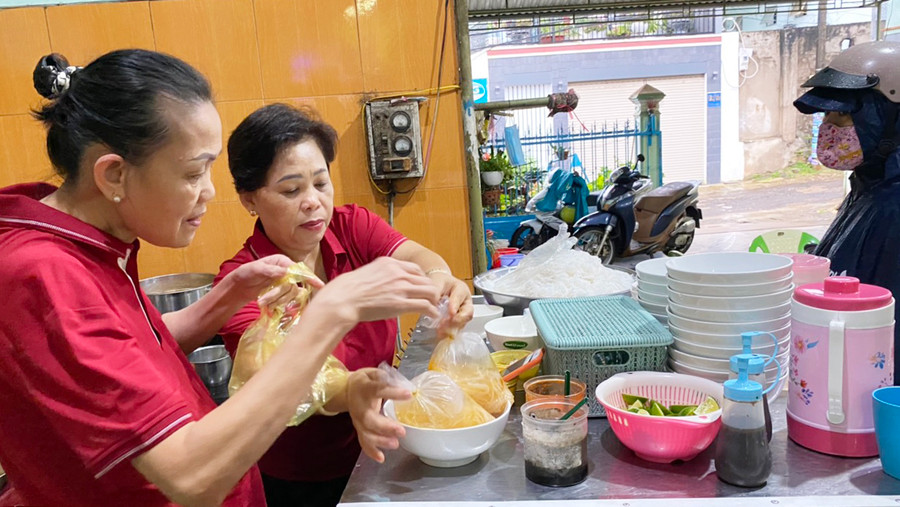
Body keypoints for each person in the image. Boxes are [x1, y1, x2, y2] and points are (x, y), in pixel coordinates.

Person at [0, 49, 440, 507]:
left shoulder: (93, 244)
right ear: (114, 174)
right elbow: (189, 477)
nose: (209, 192)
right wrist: (332, 311)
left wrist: (226, 295)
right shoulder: (44, 274)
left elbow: (122, 352)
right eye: (194, 172)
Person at [217, 103, 473, 506]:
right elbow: (289, 385)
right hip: (301, 476)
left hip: (383, 449)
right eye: (291, 190)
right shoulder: (244, 283)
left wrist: (441, 282)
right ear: (249, 199)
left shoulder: (351, 226)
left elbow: (420, 260)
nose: (313, 202)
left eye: (321, 183)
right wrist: (351, 389)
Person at [793, 40, 900, 384]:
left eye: (842, 114)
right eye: (826, 114)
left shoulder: (894, 204)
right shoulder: (869, 185)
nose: (828, 127)